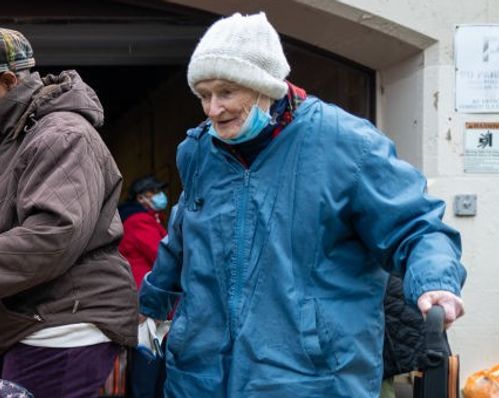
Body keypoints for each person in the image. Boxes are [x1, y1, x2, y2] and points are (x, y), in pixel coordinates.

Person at [137, 13, 467, 397]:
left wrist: (435, 282)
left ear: (265, 85)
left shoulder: (346, 144)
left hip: (308, 378)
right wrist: (149, 304)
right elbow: (182, 239)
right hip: (201, 375)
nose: (212, 109)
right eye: (203, 95)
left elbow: (416, 225)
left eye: (226, 92)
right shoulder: (198, 151)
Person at [0, 27, 137, 398]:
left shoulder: (63, 136)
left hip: (63, 323)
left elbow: (52, 233)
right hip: (22, 321)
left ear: (8, 81)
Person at [118, 176, 169, 288]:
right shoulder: (139, 220)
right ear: (140, 198)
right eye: (154, 192)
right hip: (145, 284)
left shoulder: (148, 218)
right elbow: (160, 254)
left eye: (160, 191)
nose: (160, 195)